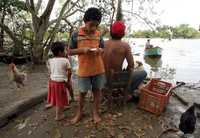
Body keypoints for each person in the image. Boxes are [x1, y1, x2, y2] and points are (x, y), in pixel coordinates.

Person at [68, 7, 105, 124]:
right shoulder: (76, 34)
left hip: (98, 69)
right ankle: (79, 113)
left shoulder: (99, 34)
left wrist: (100, 50)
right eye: (91, 25)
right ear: (85, 21)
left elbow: (103, 48)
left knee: (97, 91)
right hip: (84, 70)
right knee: (82, 93)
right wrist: (82, 50)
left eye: (96, 25)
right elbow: (69, 51)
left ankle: (95, 113)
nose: (93, 28)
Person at [103, 21, 147, 101]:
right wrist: (125, 72)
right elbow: (131, 65)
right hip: (115, 80)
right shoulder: (125, 45)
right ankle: (127, 92)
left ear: (111, 32)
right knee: (143, 73)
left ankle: (111, 92)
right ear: (123, 34)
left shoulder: (103, 43)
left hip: (102, 79)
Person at [46, 41, 72, 121]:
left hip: (52, 82)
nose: (65, 51)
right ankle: (58, 116)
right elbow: (70, 71)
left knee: (57, 96)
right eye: (64, 50)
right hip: (60, 82)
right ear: (60, 52)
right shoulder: (65, 60)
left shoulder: (50, 60)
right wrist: (68, 80)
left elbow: (50, 71)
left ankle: (62, 107)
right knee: (60, 98)